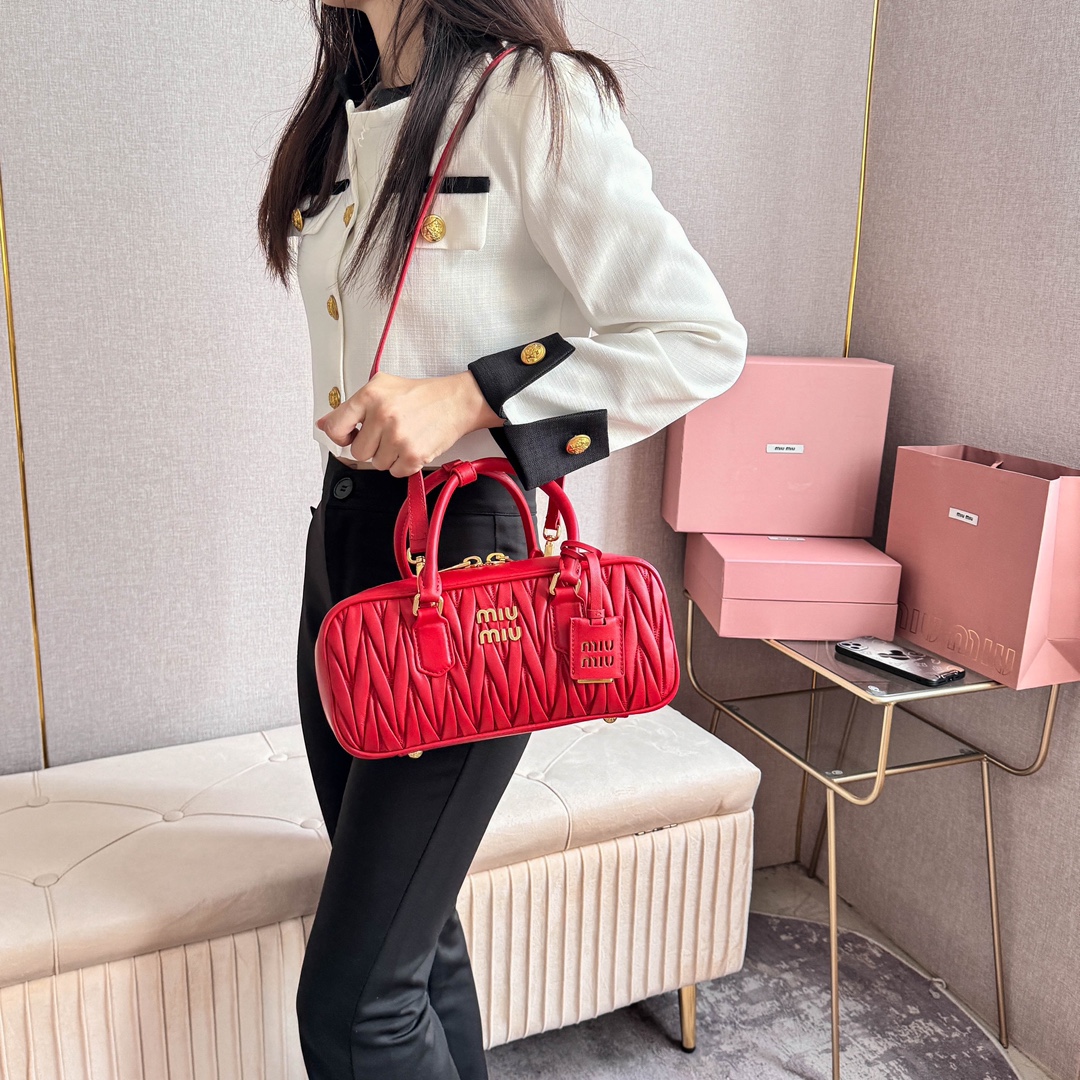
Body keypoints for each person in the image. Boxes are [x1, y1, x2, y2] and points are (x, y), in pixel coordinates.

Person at [257, 1, 747, 1077]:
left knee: (353, 1005)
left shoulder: (533, 95)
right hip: (344, 549)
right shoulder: (347, 116)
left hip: (466, 562)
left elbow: (696, 338)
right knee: (412, 945)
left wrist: (472, 396)